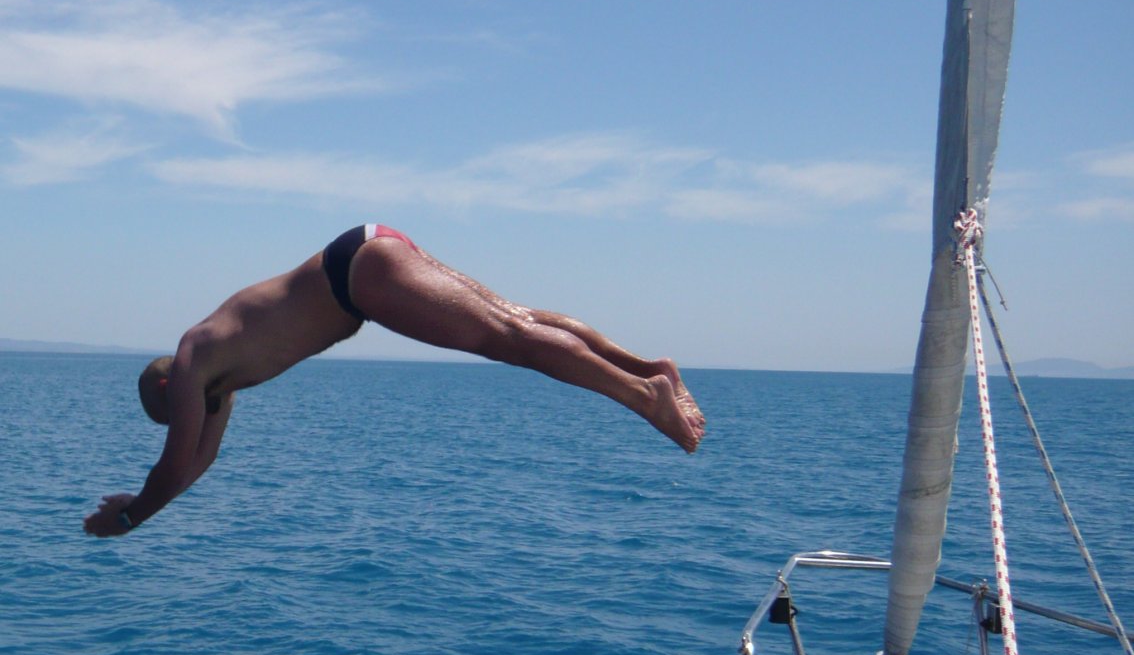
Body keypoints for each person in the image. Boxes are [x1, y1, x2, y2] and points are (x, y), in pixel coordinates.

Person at [84, 224, 705, 537]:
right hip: (364, 262)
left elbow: (169, 468)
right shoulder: (219, 379)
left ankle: (642, 398)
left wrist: (131, 517)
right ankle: (652, 371)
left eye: (177, 416)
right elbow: (194, 466)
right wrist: (145, 508)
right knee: (516, 320)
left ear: (168, 392)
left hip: (358, 274)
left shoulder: (193, 358)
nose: (190, 422)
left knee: (504, 337)